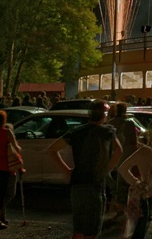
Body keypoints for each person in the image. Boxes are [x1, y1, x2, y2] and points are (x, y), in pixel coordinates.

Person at [49, 100, 123, 239]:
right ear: (104, 115)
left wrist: (67, 170)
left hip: (77, 184)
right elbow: (119, 151)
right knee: (92, 230)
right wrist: (106, 169)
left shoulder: (77, 132)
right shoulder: (107, 132)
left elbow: (52, 150)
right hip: (95, 183)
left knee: (79, 227)